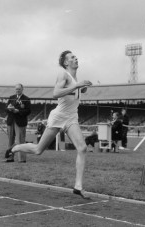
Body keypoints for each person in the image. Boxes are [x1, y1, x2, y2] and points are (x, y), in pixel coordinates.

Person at [5, 50, 92, 199]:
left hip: (71, 117)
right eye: (72, 57)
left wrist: (81, 88)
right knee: (38, 150)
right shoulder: (63, 74)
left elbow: (71, 92)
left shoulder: (74, 77)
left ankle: (78, 186)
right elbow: (56, 93)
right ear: (66, 62)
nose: (76, 58)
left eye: (76, 57)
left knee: (82, 148)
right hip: (58, 117)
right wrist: (77, 86)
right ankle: (16, 147)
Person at [5, 83, 31, 163]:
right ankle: (10, 158)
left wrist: (18, 111)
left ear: (22, 89)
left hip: (20, 122)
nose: (17, 90)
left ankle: (22, 159)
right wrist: (9, 109)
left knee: (20, 140)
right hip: (11, 121)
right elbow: (5, 109)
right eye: (16, 89)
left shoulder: (26, 99)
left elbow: (28, 111)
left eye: (19, 89)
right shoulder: (11, 98)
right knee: (10, 140)